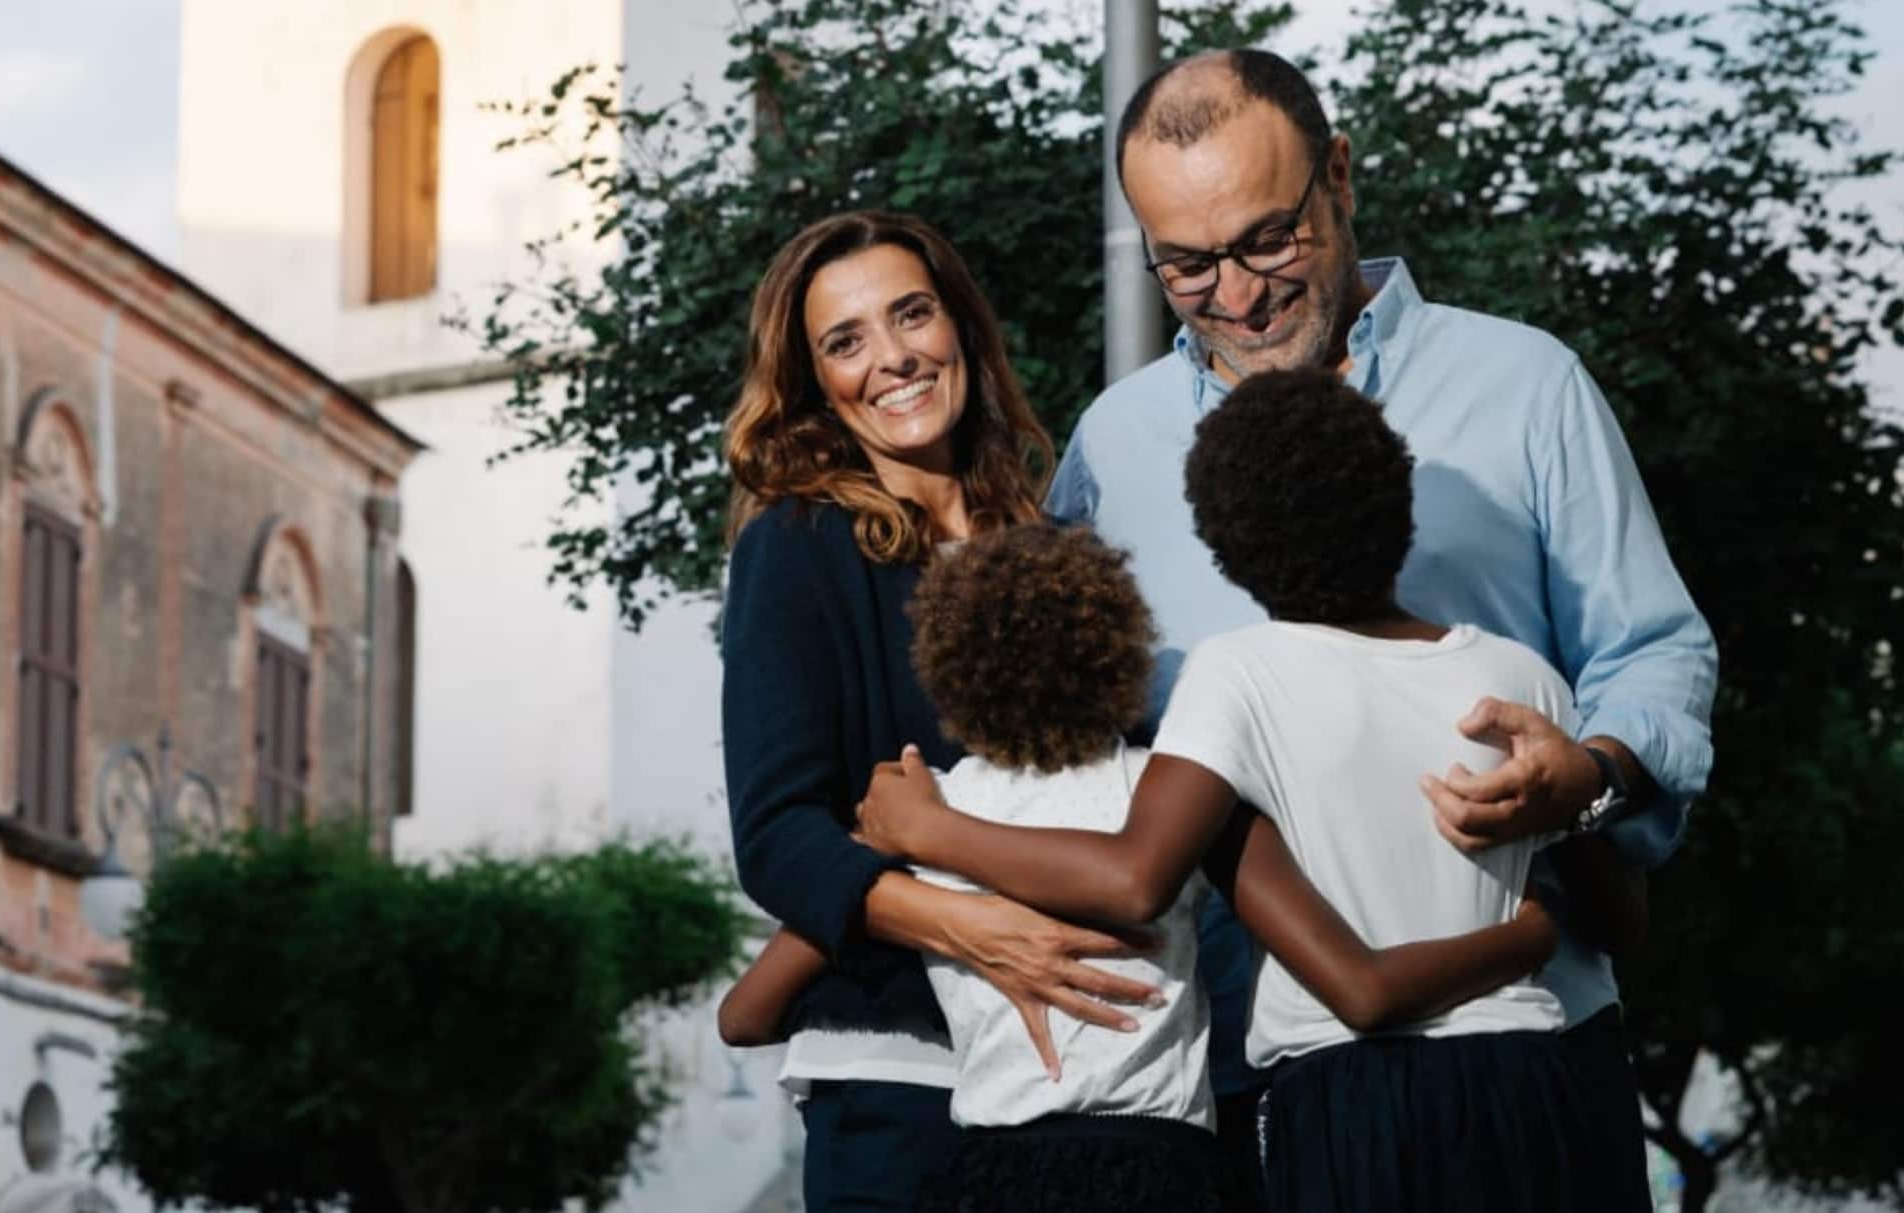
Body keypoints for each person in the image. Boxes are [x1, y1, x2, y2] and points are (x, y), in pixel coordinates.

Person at [1035, 47, 1718, 1202]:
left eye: (1267, 239)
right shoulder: (1111, 441)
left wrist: (1590, 778)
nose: (1237, 295)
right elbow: (1065, 731)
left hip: (1531, 1045)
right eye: (1186, 264)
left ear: (1338, 175)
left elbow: (1653, 650)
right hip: (1230, 1071)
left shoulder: (1525, 385)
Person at [858, 370, 1650, 1210]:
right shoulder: (1519, 676)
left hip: (1346, 1102)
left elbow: (1136, 875)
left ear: (1225, 546)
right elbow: (1619, 923)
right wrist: (1535, 921)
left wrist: (931, 830)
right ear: (1399, 506)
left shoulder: (1236, 676)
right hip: (1529, 1082)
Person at [728, 521, 1564, 1213]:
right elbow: (1359, 982)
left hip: (991, 1177)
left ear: (946, 673)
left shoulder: (922, 813)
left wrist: (886, 869)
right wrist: (1531, 932)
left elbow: (746, 1013)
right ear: (1119, 654)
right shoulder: (1175, 803)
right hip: (1163, 1173)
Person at [721, 210, 1162, 1212]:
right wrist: (971, 927)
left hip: (1087, 1081)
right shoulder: (798, 544)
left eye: (911, 314)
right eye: (846, 341)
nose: (892, 357)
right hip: (901, 1083)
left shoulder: (1057, 546)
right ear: (814, 382)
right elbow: (778, 837)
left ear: (959, 323)